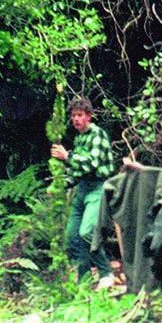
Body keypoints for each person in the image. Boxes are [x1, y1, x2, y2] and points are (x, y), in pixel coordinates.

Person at [51, 96, 116, 290]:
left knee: (87, 232)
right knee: (72, 237)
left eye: (80, 115)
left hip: (98, 188)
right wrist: (61, 184)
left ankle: (106, 273)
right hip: (82, 189)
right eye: (73, 116)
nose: (76, 119)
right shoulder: (79, 138)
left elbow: (91, 163)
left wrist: (67, 156)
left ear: (89, 116)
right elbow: (77, 172)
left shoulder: (98, 135)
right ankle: (85, 278)